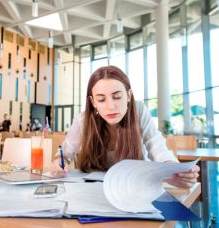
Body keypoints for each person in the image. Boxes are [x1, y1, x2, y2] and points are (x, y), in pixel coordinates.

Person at [51, 66, 199, 188]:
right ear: (93, 101)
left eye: (117, 97)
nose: (111, 106)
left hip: (135, 188)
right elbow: (65, 155)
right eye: (101, 99)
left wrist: (173, 171)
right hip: (94, 191)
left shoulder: (139, 110)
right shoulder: (82, 120)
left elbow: (156, 145)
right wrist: (58, 164)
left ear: (128, 95)